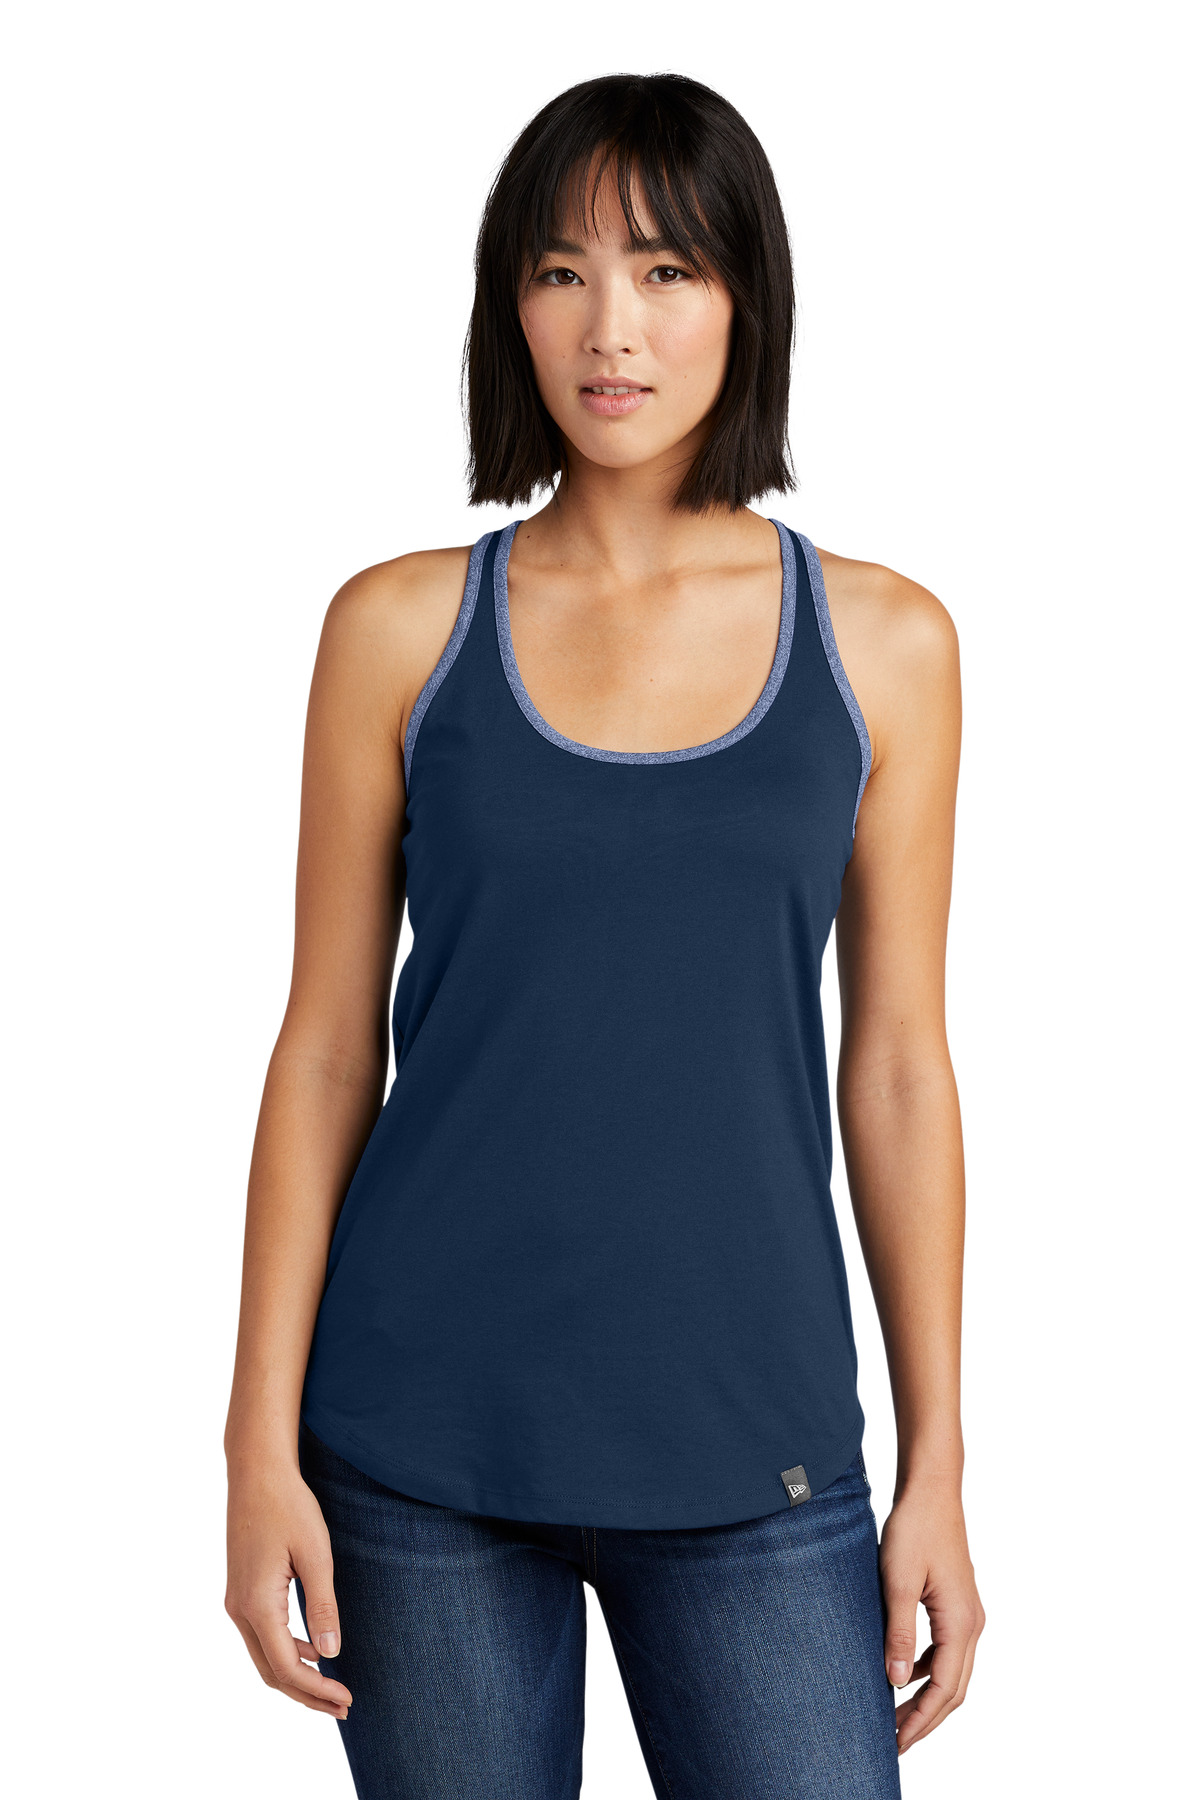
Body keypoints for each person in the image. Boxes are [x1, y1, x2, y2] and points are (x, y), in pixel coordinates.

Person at [224, 71, 984, 1800]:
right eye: (561, 272)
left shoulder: (886, 645)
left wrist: (937, 1461)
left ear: (747, 298)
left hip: (753, 1443)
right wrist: (254, 1443)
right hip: (418, 1444)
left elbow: (897, 1070)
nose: (610, 327)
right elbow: (327, 1050)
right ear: (510, 306)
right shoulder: (399, 628)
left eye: (665, 269)